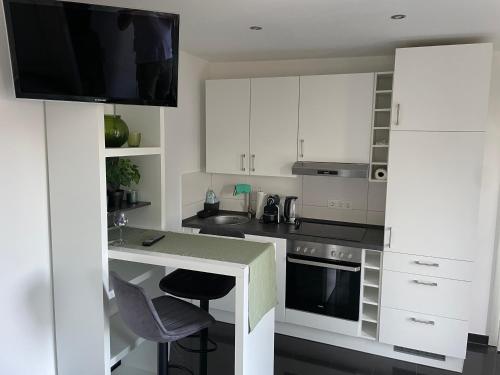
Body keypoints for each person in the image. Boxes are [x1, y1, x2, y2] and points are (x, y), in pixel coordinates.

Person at [118, 11, 175, 103]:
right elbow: (121, 25)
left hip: (168, 57)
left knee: (165, 99)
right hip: (147, 60)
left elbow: (177, 18)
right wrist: (133, 10)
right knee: (146, 101)